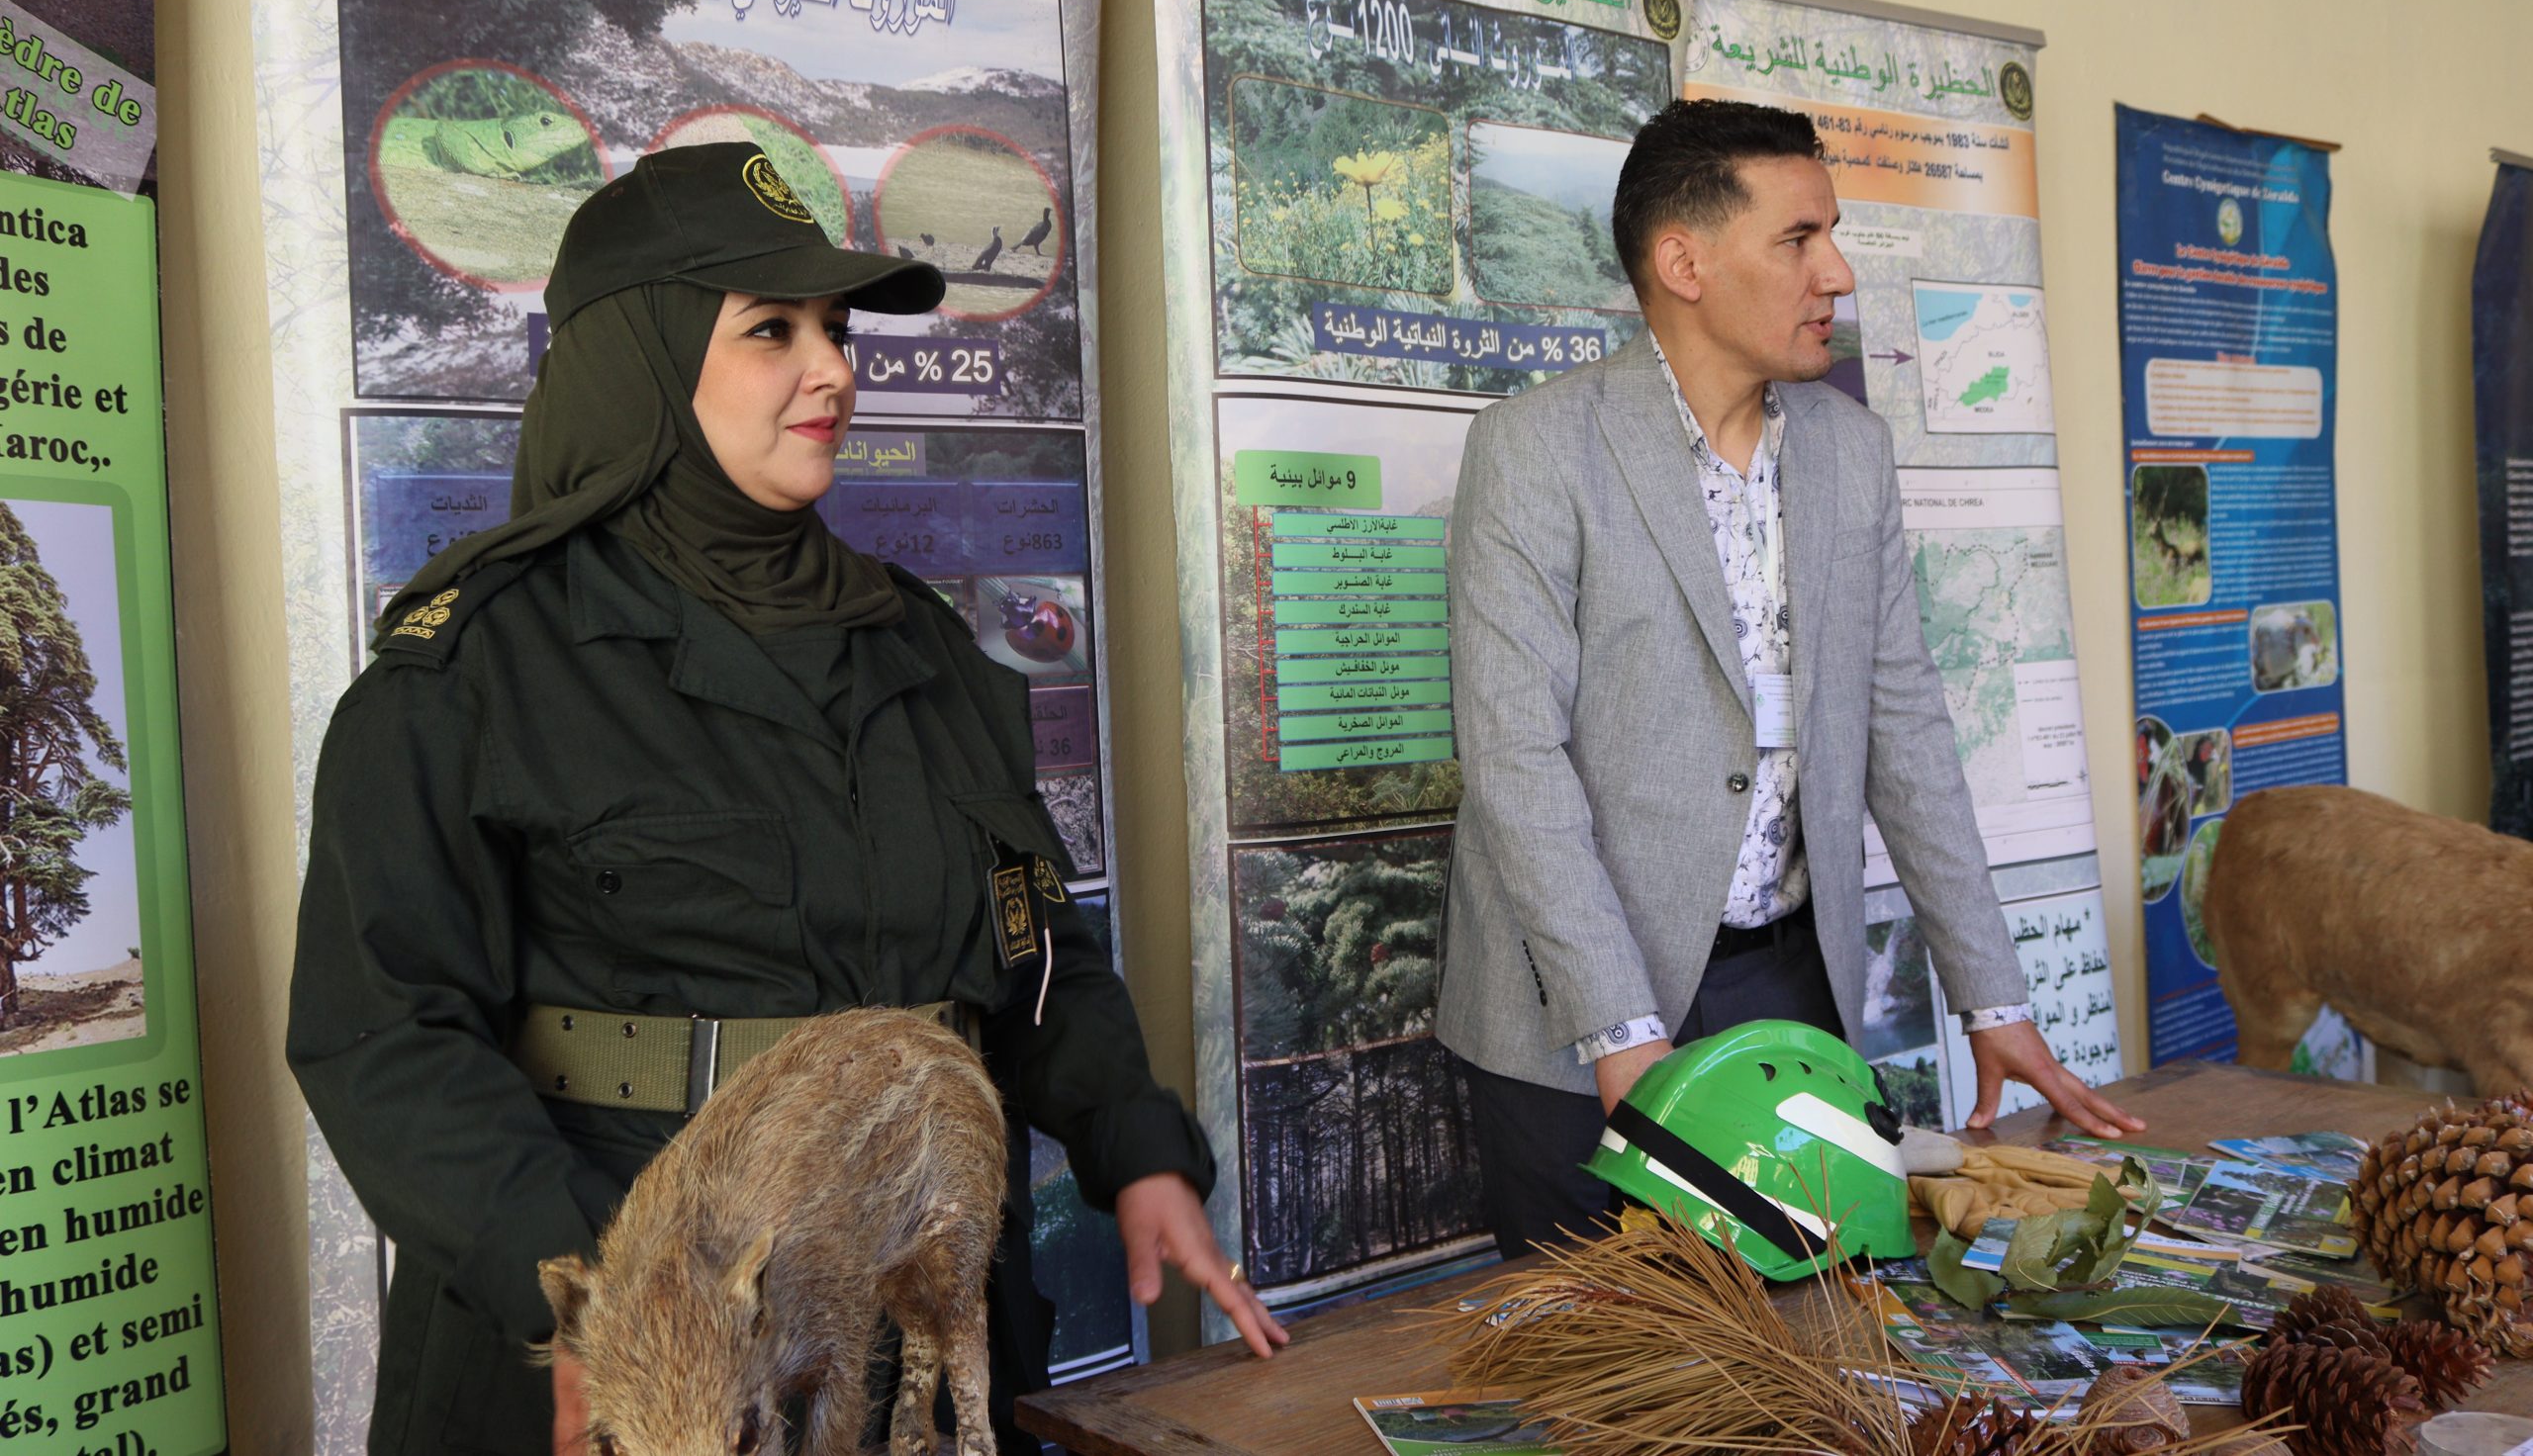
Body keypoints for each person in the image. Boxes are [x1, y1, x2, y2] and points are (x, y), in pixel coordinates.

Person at [286, 143, 1285, 1456]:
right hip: (634, 1341)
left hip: (901, 1321)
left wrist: (1137, 1145)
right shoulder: (482, 666)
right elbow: (385, 1037)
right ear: (641, 358)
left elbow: (1033, 945)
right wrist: (603, 1315)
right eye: (773, 330)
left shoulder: (918, 643)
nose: (832, 370)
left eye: (835, 329)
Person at [1434, 99, 2144, 1260]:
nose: (1838, 274)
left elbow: (1904, 728)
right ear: (1685, 264)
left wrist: (1994, 999)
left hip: (1788, 996)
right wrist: (1620, 1031)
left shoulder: (1850, 454)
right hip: (1573, 1018)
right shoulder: (1538, 450)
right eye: (1799, 239)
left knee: (1809, 1326)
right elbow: (1516, 762)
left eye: (1834, 236)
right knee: (1613, 1351)